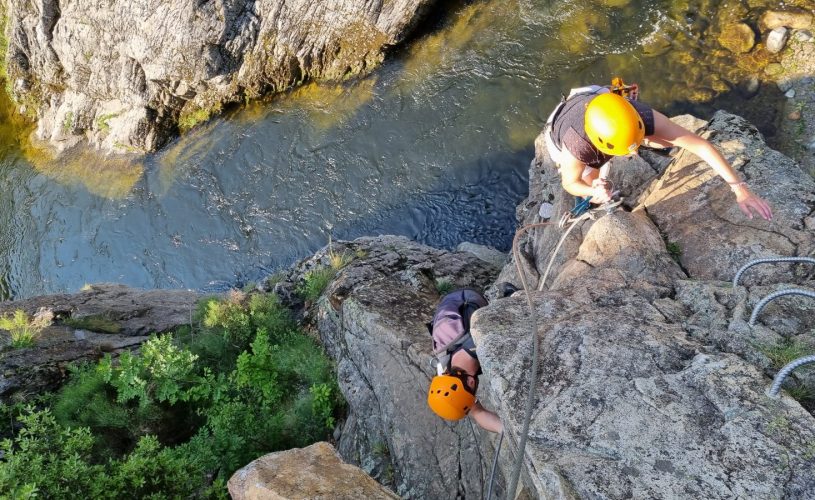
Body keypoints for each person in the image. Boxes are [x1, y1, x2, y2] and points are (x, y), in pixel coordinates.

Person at [543, 83, 773, 221]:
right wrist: (591, 190)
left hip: (597, 99)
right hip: (563, 124)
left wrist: (739, 188)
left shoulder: (636, 115)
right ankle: (595, 198)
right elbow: (570, 182)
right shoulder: (577, 145)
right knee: (589, 183)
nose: (630, 156)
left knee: (664, 140)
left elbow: (700, 145)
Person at [426, 288, 503, 433]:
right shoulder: (445, 372)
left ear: (472, 382)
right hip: (449, 302)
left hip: (470, 299)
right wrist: (506, 430)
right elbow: (477, 412)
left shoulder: (480, 342)